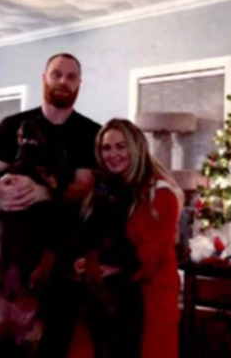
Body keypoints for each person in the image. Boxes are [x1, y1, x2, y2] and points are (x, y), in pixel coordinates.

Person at [0, 52, 101, 357]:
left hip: (60, 253)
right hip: (8, 249)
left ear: (79, 84)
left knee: (54, 339)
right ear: (44, 78)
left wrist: (43, 192)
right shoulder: (11, 126)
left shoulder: (91, 133)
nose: (63, 82)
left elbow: (84, 187)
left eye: (71, 77)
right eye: (56, 74)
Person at [81, 118, 184, 358]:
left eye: (121, 146)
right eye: (106, 148)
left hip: (149, 299)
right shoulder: (105, 190)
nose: (113, 155)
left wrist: (114, 269)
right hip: (109, 299)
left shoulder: (159, 192)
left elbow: (152, 255)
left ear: (136, 148)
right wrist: (89, 261)